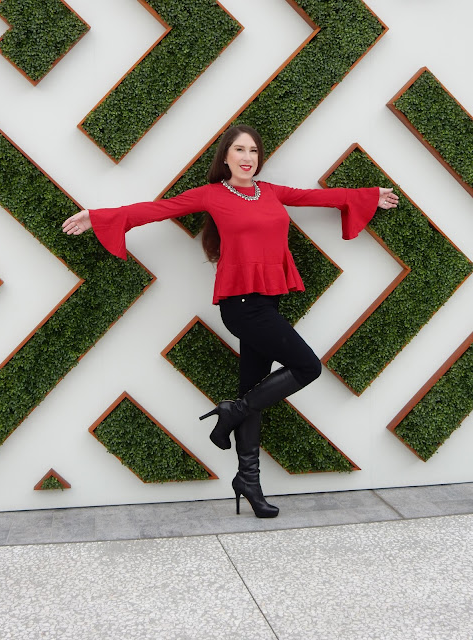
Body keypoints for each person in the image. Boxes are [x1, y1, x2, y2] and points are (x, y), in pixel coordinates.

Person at [62, 124, 398, 518]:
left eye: (253, 150)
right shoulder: (212, 195)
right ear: (225, 157)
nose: (247, 157)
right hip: (242, 307)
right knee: (307, 367)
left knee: (253, 388)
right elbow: (158, 209)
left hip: (267, 305)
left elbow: (317, 197)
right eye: (239, 149)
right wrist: (98, 217)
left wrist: (369, 195)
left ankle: (248, 481)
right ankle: (231, 413)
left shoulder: (271, 191)